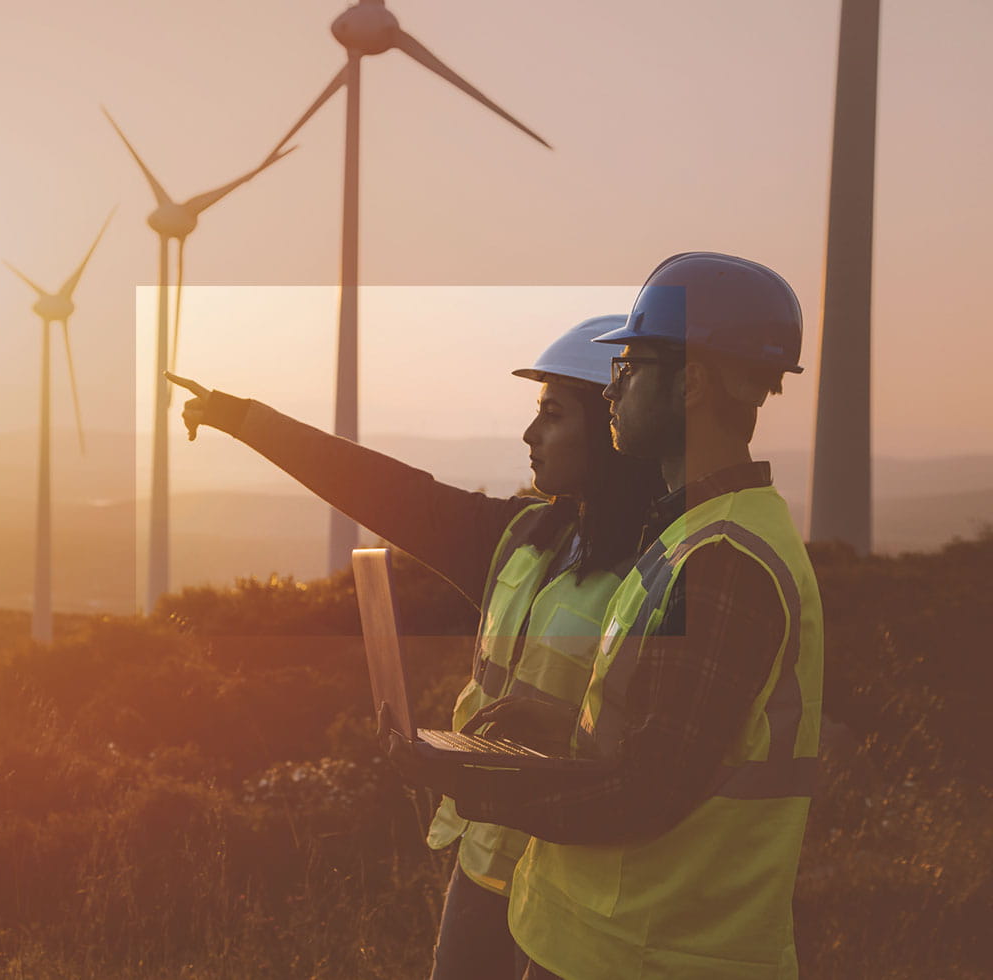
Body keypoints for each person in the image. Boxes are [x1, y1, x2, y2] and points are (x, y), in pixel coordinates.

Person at [171, 316, 665, 980]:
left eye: (552, 415)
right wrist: (246, 420)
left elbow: (653, 755)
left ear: (609, 429)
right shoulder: (519, 537)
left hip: (579, 884)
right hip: (484, 866)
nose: (530, 434)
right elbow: (386, 490)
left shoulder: (661, 570)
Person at [396, 252, 825, 980]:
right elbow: (662, 742)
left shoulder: (723, 560)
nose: (614, 388)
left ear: (688, 384)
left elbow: (647, 793)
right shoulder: (689, 536)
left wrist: (474, 780)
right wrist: (555, 730)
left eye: (627, 367)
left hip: (656, 955)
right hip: (600, 943)